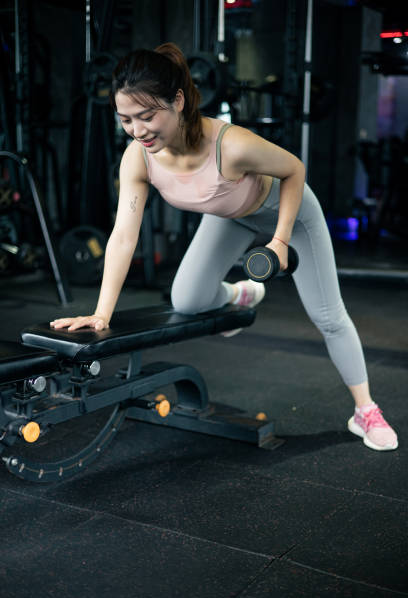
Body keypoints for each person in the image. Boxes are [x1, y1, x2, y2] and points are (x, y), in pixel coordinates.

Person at [50, 43, 398, 452]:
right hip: (229, 215)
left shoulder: (229, 145)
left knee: (328, 315)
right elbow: (124, 235)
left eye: (147, 116)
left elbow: (294, 170)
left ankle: (365, 410)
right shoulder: (138, 159)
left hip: (290, 214)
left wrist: (280, 240)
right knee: (188, 299)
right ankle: (241, 294)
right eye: (125, 119)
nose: (137, 130)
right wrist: (101, 312)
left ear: (177, 101)